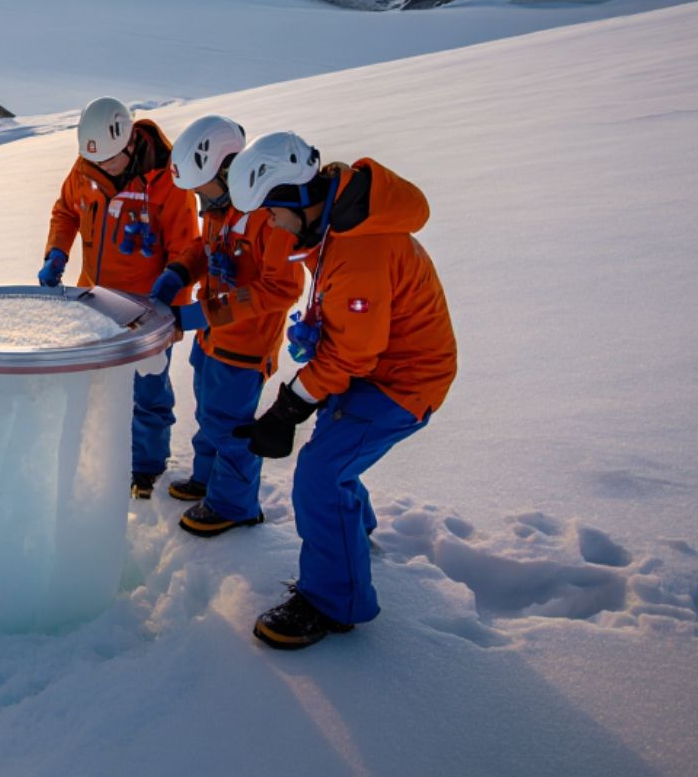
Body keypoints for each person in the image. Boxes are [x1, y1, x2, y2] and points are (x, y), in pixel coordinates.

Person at [226, 132, 457, 649]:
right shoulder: (339, 221)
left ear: (294, 197)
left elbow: (353, 354)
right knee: (332, 456)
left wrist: (287, 408)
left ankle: (334, 601)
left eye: (272, 212)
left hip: (404, 380)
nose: (271, 224)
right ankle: (352, 533)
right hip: (376, 366)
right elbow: (353, 335)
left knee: (322, 472)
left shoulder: (360, 246)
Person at [41, 97, 200, 497]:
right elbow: (66, 211)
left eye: (109, 161)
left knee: (148, 388)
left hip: (147, 307)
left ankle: (145, 466)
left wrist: (174, 311)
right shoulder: (87, 167)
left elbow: (187, 248)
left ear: (130, 144)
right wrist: (56, 251)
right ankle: (92, 453)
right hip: (93, 298)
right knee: (92, 383)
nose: (102, 168)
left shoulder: (169, 181)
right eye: (94, 161)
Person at [160, 115, 306, 537]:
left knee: (230, 425)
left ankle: (234, 504)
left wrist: (203, 314)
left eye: (202, 189)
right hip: (212, 339)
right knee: (208, 414)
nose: (199, 200)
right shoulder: (221, 209)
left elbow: (281, 288)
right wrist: (178, 272)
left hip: (244, 346)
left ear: (226, 170)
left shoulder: (271, 216)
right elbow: (205, 248)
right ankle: (207, 479)